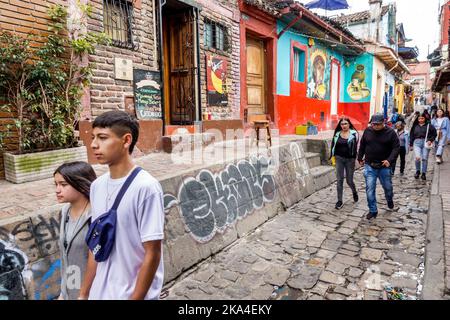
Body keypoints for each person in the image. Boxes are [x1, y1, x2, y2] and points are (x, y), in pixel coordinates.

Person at [79, 110, 165, 300]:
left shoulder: (146, 187)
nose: (93, 145)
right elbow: (96, 244)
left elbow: (153, 252)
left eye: (102, 138)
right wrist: (84, 294)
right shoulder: (96, 186)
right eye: (93, 137)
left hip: (132, 294)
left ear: (126, 141)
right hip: (100, 293)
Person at [54, 161, 97, 300]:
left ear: (80, 184)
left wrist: (83, 295)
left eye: (63, 184)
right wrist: (63, 293)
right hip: (70, 292)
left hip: (92, 294)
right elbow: (65, 257)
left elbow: (96, 260)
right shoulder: (65, 211)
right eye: (56, 184)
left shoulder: (95, 216)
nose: (57, 190)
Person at [357, 113, 400, 220]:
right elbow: (362, 144)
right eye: (373, 124)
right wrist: (360, 158)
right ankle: (373, 210)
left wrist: (389, 160)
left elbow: (396, 148)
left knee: (388, 188)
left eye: (378, 124)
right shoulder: (368, 131)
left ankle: (389, 200)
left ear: (383, 123)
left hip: (384, 166)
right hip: (370, 165)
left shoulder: (391, 133)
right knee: (370, 189)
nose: (375, 126)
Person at [330, 117, 359, 210]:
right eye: (342, 124)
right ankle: (339, 200)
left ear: (349, 124)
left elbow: (357, 147)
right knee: (339, 180)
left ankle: (354, 191)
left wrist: (358, 158)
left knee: (349, 180)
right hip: (339, 159)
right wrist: (332, 155)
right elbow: (333, 145)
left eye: (346, 123)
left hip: (350, 160)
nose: (344, 126)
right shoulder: (337, 134)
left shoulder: (354, 134)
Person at [410, 112, 437, 180]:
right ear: (417, 119)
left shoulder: (429, 126)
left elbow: (434, 134)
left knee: (424, 158)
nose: (421, 120)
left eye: (422, 118)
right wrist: (410, 144)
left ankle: (424, 173)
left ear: (425, 118)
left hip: (426, 143)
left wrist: (430, 140)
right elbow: (411, 135)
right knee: (417, 158)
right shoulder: (415, 126)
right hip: (417, 143)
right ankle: (418, 171)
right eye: (419, 118)